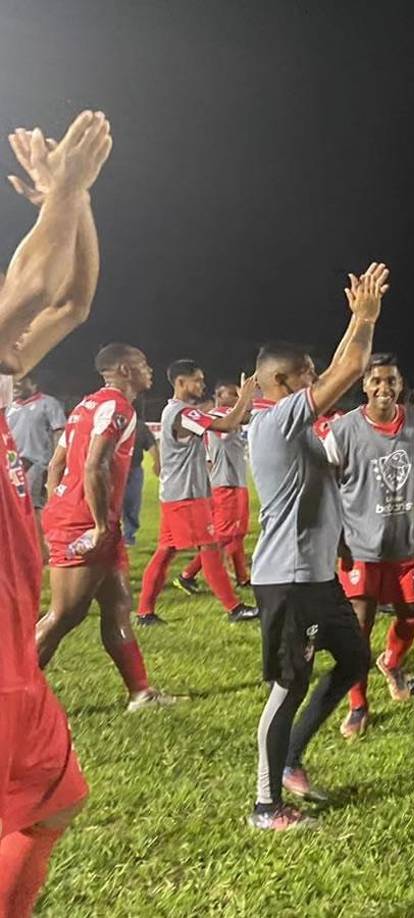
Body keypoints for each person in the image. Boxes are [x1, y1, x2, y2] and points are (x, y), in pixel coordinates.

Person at [0, 109, 111, 917]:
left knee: (55, 803)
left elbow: (68, 302)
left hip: (13, 661)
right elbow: (32, 286)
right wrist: (61, 195)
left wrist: (74, 202)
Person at [246, 262, 388, 831]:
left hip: (318, 576)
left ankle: (293, 761)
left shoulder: (298, 424)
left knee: (354, 660)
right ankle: (264, 803)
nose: (315, 379)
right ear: (280, 384)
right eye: (305, 374)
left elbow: (337, 367)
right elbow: (350, 366)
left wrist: (342, 548)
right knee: (289, 685)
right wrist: (364, 320)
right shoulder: (278, 420)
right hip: (288, 579)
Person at [38, 344, 177, 712]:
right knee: (64, 614)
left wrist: (58, 506)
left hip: (84, 518)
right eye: (143, 363)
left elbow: (56, 466)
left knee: (117, 606)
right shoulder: (117, 407)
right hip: (87, 522)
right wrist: (95, 524)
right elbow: (94, 467)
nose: (149, 369)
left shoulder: (85, 405)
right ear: (123, 368)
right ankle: (13, 692)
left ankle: (141, 694)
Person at [320, 353, 414, 738]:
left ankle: (391, 662)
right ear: (364, 385)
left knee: (412, 614)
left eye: (391, 381)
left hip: (405, 543)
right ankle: (358, 705)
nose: (384, 388)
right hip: (359, 545)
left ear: (401, 384)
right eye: (376, 381)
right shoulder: (343, 431)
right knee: (360, 627)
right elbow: (326, 485)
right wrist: (335, 536)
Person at [136, 361, 258, 624]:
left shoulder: (177, 411)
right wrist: (245, 398)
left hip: (176, 494)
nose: (202, 385)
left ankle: (145, 612)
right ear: (180, 382)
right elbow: (226, 424)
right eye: (198, 380)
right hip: (187, 496)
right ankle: (234, 608)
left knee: (166, 551)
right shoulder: (182, 413)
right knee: (211, 547)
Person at [178, 380, 254, 587]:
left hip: (236, 481)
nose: (237, 396)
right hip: (225, 483)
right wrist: (247, 399)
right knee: (223, 536)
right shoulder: (217, 416)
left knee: (237, 534)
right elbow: (243, 419)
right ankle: (187, 575)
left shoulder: (232, 416)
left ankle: (242, 577)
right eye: (233, 393)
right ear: (219, 396)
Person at [5, 373, 66, 557]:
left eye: (20, 382)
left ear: (33, 383)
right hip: (12, 465)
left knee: (34, 508)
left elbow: (59, 433)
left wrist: (56, 464)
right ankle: (20, 549)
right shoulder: (8, 407)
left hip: (37, 464)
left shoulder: (48, 403)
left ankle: (43, 553)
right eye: (13, 384)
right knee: (13, 510)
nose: (15, 387)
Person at [122, 408, 157, 546]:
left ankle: (129, 536)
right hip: (114, 470)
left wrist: (157, 463)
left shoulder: (140, 427)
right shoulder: (113, 423)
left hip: (134, 469)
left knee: (132, 503)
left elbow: (151, 445)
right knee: (110, 504)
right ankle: (109, 535)